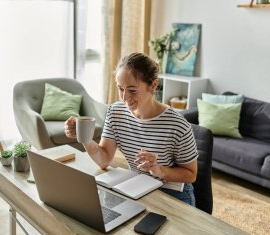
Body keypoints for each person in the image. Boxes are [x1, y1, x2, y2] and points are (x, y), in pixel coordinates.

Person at [64, 52, 198, 206]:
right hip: (138, 187)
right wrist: (85, 137)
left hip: (172, 192)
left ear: (153, 86)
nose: (125, 97)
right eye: (121, 89)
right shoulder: (115, 112)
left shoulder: (177, 125)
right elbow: (104, 160)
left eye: (132, 90)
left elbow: (191, 174)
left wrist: (159, 170)